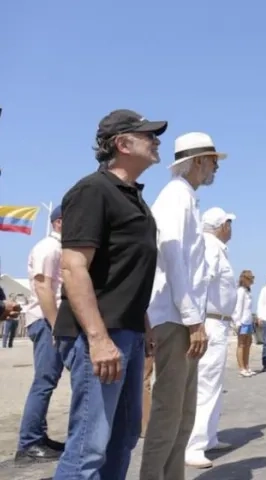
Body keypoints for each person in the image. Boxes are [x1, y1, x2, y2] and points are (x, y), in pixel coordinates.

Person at [53, 109, 166, 479]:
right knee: (89, 446)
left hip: (129, 332)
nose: (156, 141)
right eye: (148, 135)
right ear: (122, 143)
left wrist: (145, 325)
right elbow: (72, 267)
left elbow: (128, 272)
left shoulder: (134, 198)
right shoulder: (92, 190)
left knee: (124, 438)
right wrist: (99, 339)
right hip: (100, 336)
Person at [140, 132, 227, 480]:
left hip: (183, 318)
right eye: (213, 161)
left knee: (184, 414)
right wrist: (194, 321)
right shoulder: (176, 197)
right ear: (198, 162)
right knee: (168, 411)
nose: (216, 168)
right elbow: (174, 257)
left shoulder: (186, 197)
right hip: (175, 319)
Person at [184, 207, 238, 469]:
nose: (232, 228)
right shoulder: (210, 247)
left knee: (214, 384)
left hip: (219, 323)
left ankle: (209, 437)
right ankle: (194, 446)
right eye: (229, 223)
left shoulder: (217, 248)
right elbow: (200, 284)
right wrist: (198, 324)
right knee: (205, 384)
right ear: (222, 225)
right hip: (211, 323)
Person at [15, 206, 65, 464]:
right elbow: (44, 287)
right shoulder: (49, 248)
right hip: (47, 321)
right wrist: (56, 325)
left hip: (49, 321)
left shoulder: (58, 248)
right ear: (59, 222)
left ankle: (38, 437)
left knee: (48, 380)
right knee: (44, 381)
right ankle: (29, 443)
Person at [233, 270, 256, 377]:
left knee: (248, 343)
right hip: (242, 321)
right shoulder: (241, 291)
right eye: (250, 278)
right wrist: (237, 322)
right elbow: (238, 307)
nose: (252, 280)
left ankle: (247, 366)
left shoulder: (248, 291)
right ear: (245, 279)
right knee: (241, 344)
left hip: (248, 321)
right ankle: (241, 368)